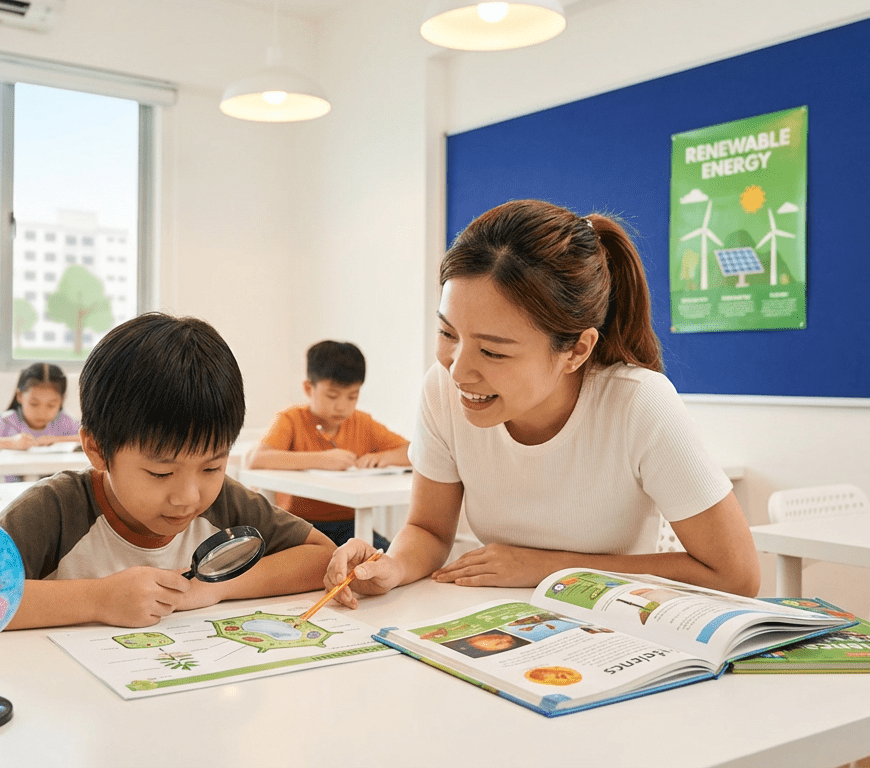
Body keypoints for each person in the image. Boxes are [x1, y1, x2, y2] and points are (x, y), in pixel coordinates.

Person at [322, 199, 762, 610]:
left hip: (610, 628)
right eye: (447, 333)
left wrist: (548, 567)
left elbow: (737, 575)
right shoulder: (442, 389)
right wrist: (393, 566)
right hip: (497, 620)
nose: (458, 371)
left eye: (493, 351)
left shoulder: (639, 403)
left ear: (576, 350)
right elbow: (430, 529)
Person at [0, 312, 336, 629]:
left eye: (212, 467)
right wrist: (97, 599)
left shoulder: (226, 504)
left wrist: (214, 587)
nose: (189, 497)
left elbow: (322, 557)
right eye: (161, 473)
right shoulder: (55, 510)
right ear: (97, 450)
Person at [245, 340, 410, 548]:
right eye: (332, 396)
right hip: (298, 525)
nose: (342, 406)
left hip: (350, 525)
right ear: (308, 388)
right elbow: (256, 458)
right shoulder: (291, 420)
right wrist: (321, 460)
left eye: (352, 396)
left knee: (386, 557)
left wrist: (383, 457)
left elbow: (413, 452)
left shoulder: (362, 423)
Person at [0, 362, 81, 451]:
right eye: (34, 404)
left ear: (61, 401)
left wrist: (55, 440)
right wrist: (12, 443)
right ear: (20, 396)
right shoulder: (8, 421)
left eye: (51, 405)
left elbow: (93, 439)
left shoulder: (63, 422)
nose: (41, 412)